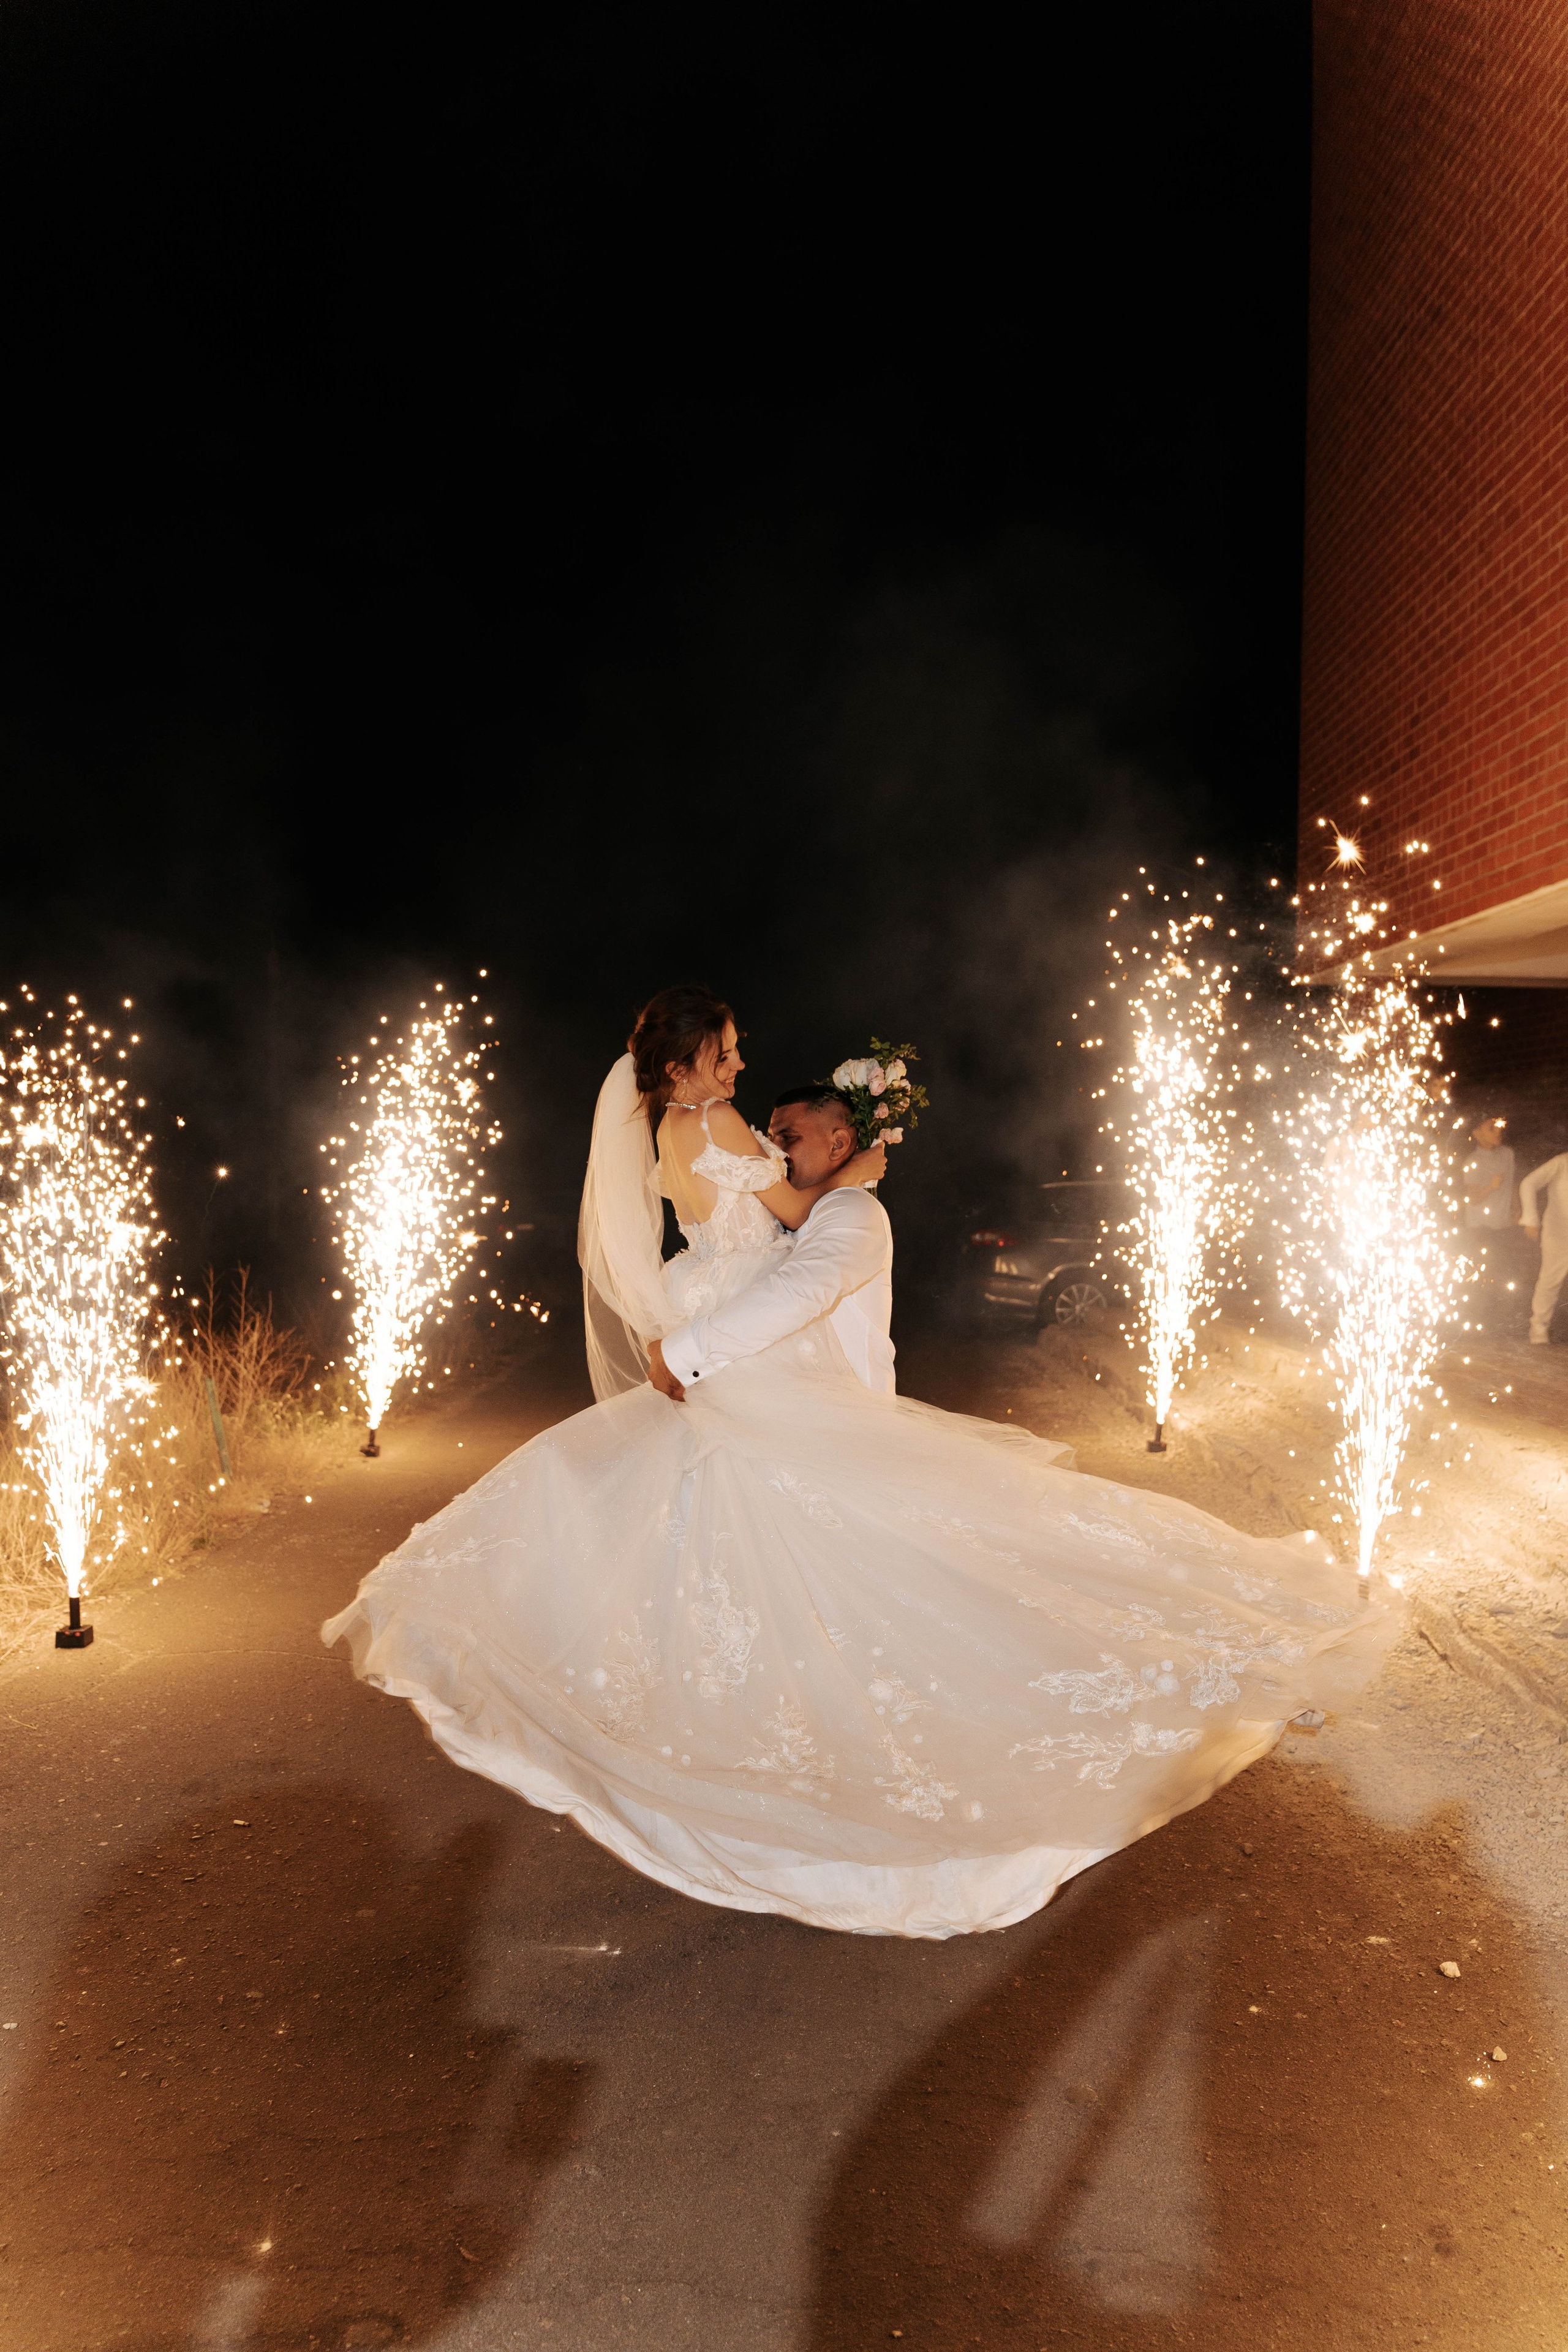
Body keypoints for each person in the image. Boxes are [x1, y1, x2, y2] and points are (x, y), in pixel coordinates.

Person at [322, 986, 1390, 1940]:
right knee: (809, 1495)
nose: (741, 1068)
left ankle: (708, 1682)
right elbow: (790, 1213)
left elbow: (733, 1224)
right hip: (740, 1323)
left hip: (705, 1301)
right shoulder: (717, 1122)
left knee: (711, 1498)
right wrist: (863, 1169)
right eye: (729, 1052)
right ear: (689, 1064)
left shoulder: (659, 1138)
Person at [1519, 1147, 1568, 1345]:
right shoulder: (1562, 1162)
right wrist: (1531, 1218)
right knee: (1550, 1280)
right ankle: (1539, 1327)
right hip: (1559, 1233)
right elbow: (1529, 1183)